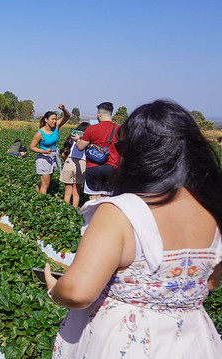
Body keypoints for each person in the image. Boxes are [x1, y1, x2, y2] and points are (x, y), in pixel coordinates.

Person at [44, 99, 222, 358]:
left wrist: (54, 288)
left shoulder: (121, 211)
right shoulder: (213, 210)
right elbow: (211, 282)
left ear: (140, 154)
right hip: (194, 342)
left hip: (127, 341)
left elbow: (78, 292)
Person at [76, 102, 120, 200]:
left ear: (100, 114)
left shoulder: (91, 129)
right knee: (108, 199)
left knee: (93, 198)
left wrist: (77, 140)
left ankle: (93, 215)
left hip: (93, 167)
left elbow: (80, 147)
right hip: (112, 167)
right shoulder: (119, 130)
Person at [29, 104, 71, 194]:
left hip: (52, 157)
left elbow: (67, 116)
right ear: (46, 120)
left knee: (44, 182)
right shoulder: (40, 133)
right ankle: (41, 204)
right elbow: (31, 147)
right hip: (43, 158)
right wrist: (44, 151)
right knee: (46, 184)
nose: (55, 121)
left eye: (56, 119)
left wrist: (63, 109)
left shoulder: (56, 127)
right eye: (53, 119)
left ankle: (35, 196)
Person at [59, 122, 90, 207]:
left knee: (67, 192)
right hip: (81, 163)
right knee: (76, 192)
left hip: (69, 161)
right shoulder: (87, 140)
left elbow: (63, 153)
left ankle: (65, 210)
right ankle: (74, 210)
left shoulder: (72, 137)